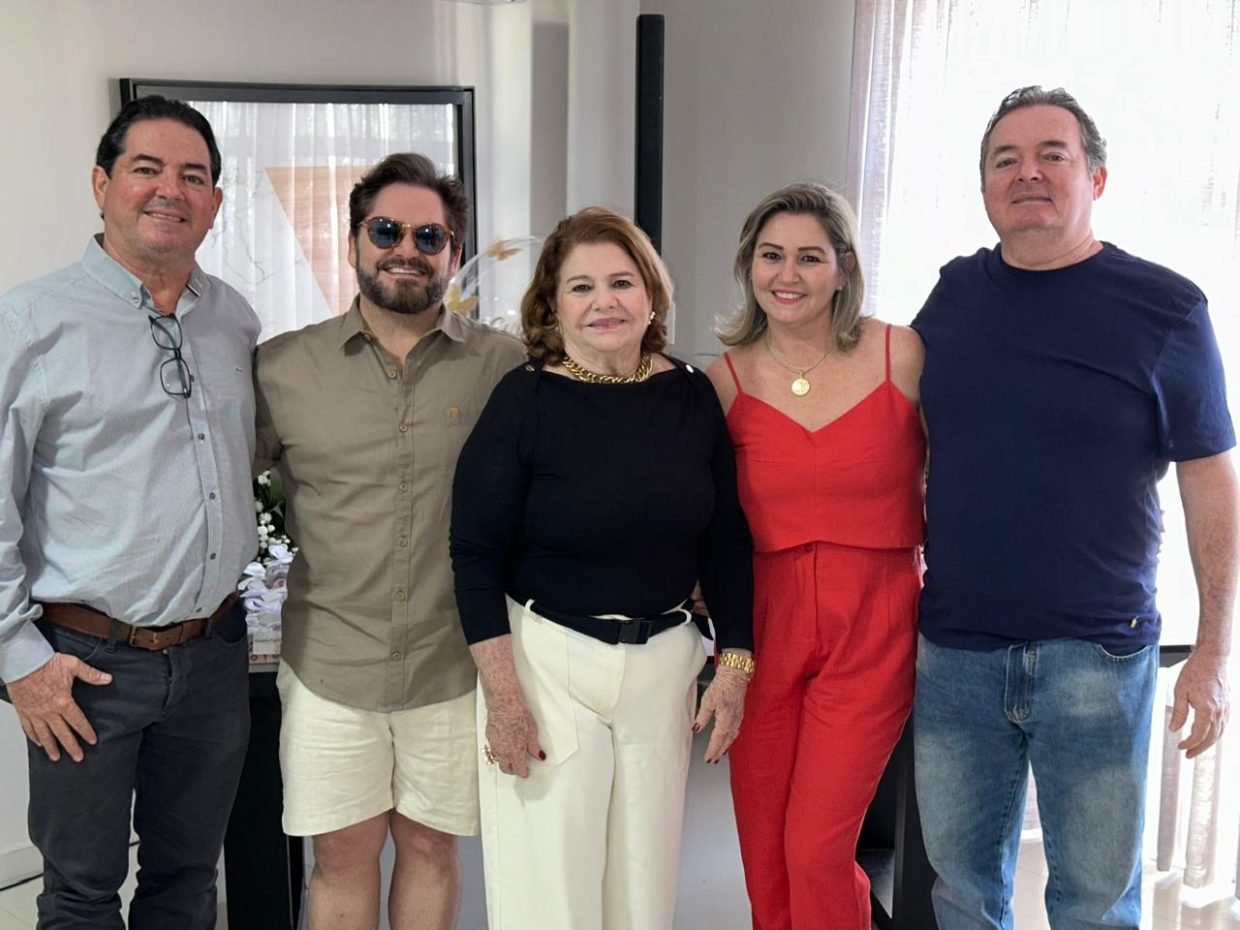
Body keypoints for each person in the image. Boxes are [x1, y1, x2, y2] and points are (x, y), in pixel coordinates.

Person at [912, 85, 1239, 930]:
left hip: (1097, 656)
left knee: (1095, 904)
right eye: (1005, 160)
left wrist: (1212, 652)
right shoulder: (952, 297)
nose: (1027, 173)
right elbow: (904, 439)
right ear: (985, 187)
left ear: (1096, 178)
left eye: (1051, 155)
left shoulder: (1167, 309)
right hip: (956, 653)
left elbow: (1211, 483)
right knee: (961, 895)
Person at [449, 205, 755, 930]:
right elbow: (474, 553)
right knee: (550, 898)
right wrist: (505, 699)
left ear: (651, 293)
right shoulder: (524, 400)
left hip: (662, 667)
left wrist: (735, 665)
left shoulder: (691, 393)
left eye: (621, 282)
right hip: (548, 666)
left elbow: (725, 539)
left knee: (643, 894)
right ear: (552, 305)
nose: (604, 302)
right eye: (581, 287)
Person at [0, 96, 257, 928]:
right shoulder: (28, 324)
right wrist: (18, 659)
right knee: (81, 892)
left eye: (193, 176)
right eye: (147, 169)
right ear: (101, 184)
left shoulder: (234, 319)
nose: (170, 190)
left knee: (188, 881)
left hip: (212, 656)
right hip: (85, 665)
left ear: (215, 202)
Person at [253, 152, 523, 930]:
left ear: (453, 253)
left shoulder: (503, 368)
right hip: (330, 665)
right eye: (385, 231)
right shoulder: (282, 368)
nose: (406, 249)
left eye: (428, 236)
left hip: (453, 663)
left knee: (433, 851)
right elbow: (211, 487)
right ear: (353, 242)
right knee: (341, 859)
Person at [706, 182, 926, 930]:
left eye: (809, 257)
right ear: (749, 265)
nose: (787, 275)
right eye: (771, 256)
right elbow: (699, 512)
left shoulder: (901, 354)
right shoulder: (724, 380)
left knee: (815, 849)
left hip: (874, 622)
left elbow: (968, 468)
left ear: (844, 267)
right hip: (762, 628)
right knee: (765, 856)